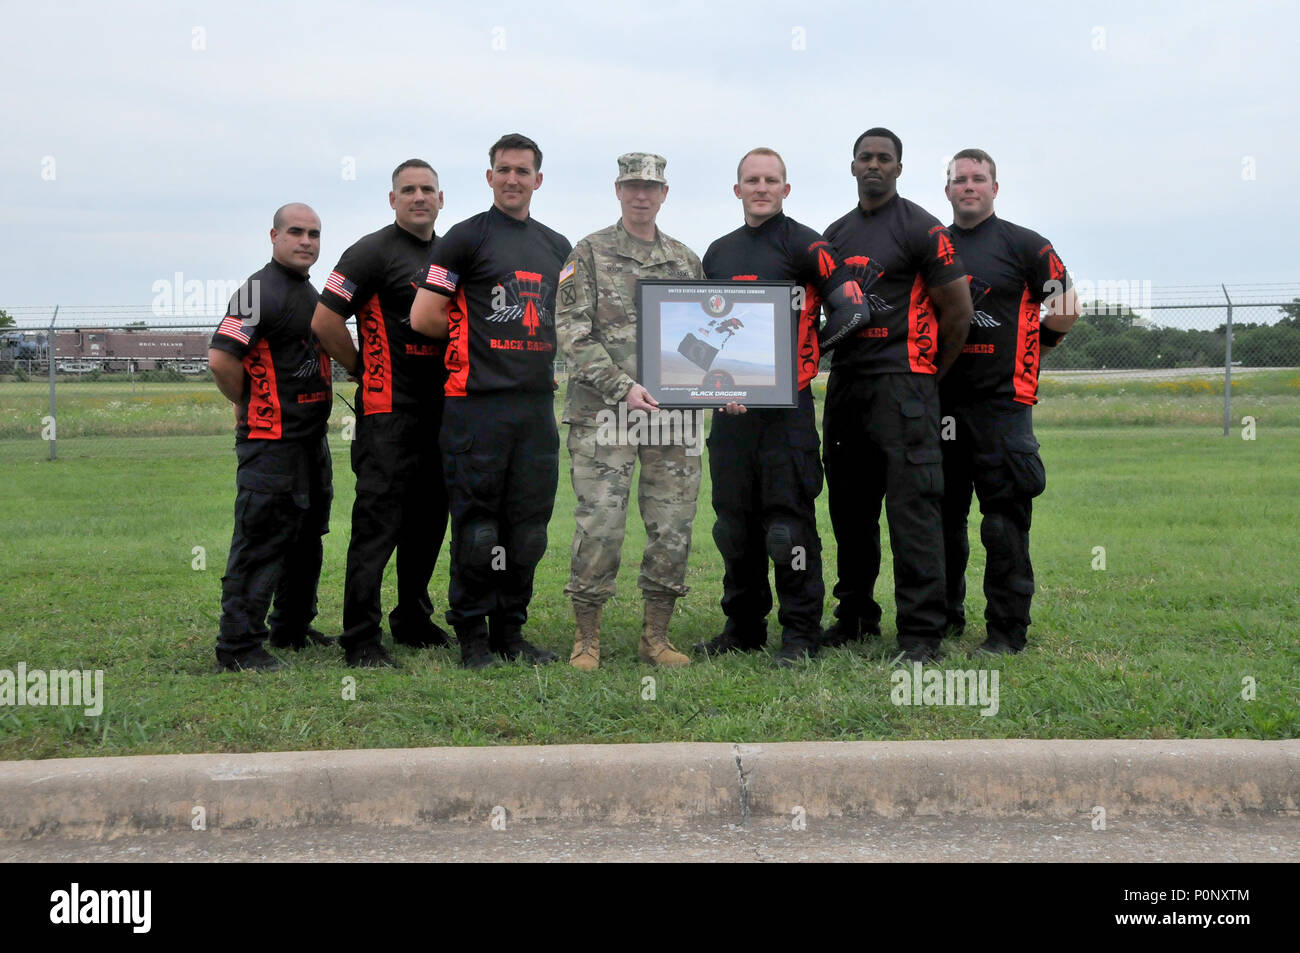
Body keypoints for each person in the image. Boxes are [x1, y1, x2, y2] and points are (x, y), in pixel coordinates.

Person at [695, 148, 868, 666]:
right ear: (738, 189)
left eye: (772, 180)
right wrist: (709, 383)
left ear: (786, 189)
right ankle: (743, 626)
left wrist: (801, 360)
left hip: (785, 413)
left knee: (787, 526)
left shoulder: (806, 244)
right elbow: (703, 332)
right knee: (733, 525)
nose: (762, 187)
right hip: (729, 413)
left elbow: (853, 307)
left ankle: (800, 634)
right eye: (752, 180)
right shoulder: (718, 252)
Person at [409, 134, 572, 669]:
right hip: (476, 408)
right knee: (480, 531)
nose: (512, 179)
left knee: (526, 531)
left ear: (537, 181)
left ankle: (510, 631)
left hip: (534, 412)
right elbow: (424, 316)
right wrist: (478, 354)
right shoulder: (463, 237)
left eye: (523, 171)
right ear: (489, 177)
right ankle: (473, 637)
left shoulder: (556, 246)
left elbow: (565, 324)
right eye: (503, 169)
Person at [821, 128, 974, 663]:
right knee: (849, 510)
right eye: (865, 157)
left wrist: (928, 376)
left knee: (913, 514)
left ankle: (921, 634)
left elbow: (958, 313)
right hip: (847, 386)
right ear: (853, 165)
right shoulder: (835, 234)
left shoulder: (922, 228)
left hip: (904, 387)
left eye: (885, 158)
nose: (874, 166)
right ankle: (856, 617)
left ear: (900, 168)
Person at [555, 152, 705, 671]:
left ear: (664, 194)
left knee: (673, 525)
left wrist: (721, 382)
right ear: (618, 190)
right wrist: (622, 386)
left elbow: (697, 340)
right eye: (632, 186)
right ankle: (586, 639)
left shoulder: (686, 260)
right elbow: (572, 332)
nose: (641, 195)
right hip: (605, 413)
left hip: (672, 416)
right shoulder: (589, 252)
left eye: (651, 187)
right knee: (601, 524)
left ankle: (655, 638)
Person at [312, 159, 450, 669]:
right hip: (388, 414)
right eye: (408, 190)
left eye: (427, 189)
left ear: (441, 199)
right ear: (392, 200)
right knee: (378, 526)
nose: (419, 197)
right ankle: (360, 637)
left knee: (429, 522)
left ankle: (412, 618)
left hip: (442, 415)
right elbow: (325, 320)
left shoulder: (448, 252)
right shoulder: (370, 252)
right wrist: (360, 368)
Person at [940, 148, 1079, 654]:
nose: (969, 186)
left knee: (1001, 524)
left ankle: (1006, 630)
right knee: (940, 522)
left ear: (995, 188)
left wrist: (1036, 342)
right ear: (948, 190)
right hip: (942, 406)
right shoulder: (935, 246)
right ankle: (941, 617)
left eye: (978, 179)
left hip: (1004, 407)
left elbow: (1066, 304)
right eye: (959, 180)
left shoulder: (1024, 244)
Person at [209, 203, 334, 672]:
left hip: (309, 439)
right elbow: (222, 359)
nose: (306, 241)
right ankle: (239, 647)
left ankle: (292, 627)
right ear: (274, 236)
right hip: (270, 443)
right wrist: (249, 402)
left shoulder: (307, 291)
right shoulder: (256, 291)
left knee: (306, 538)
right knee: (261, 542)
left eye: (315, 234)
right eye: (297, 232)